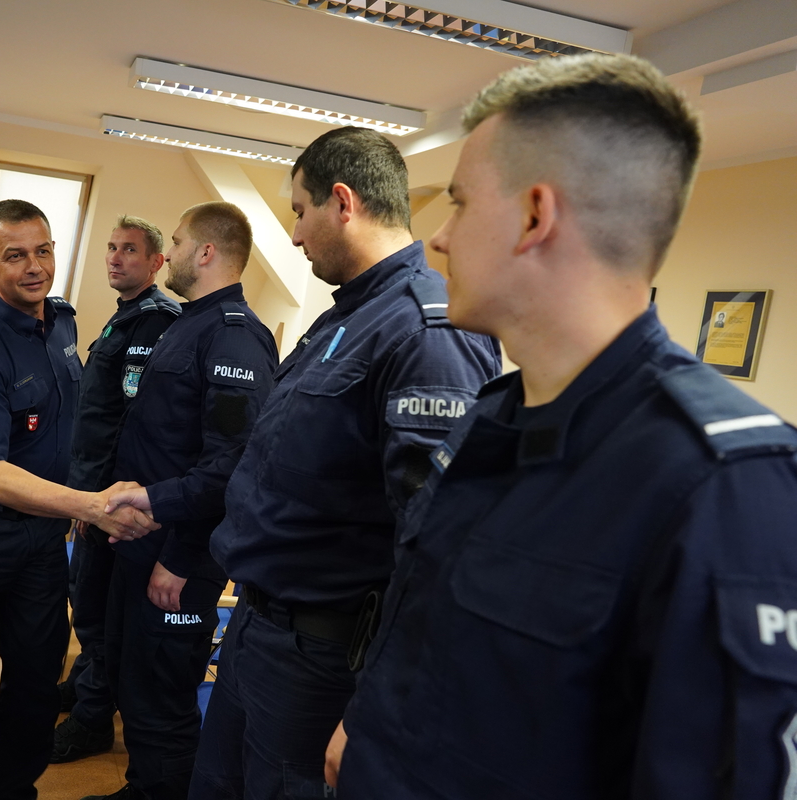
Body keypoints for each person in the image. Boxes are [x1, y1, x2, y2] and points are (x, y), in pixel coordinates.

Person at [328, 53, 797, 798]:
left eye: (459, 203)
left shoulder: (724, 483)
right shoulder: (492, 418)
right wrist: (367, 724)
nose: (438, 239)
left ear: (533, 217)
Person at [188, 127, 503, 799]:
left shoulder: (425, 332)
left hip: (322, 657)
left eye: (300, 212)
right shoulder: (348, 317)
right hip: (259, 628)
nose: (295, 235)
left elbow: (440, 543)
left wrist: (374, 706)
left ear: (342, 202)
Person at [0, 199, 156, 800]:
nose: (34, 266)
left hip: (43, 538)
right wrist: (90, 506)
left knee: (34, 683)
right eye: (15, 255)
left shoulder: (63, 322)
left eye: (43, 251)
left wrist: (73, 506)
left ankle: (13, 791)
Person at [94, 201, 280, 800]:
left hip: (176, 558)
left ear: (205, 252)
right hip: (141, 545)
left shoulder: (234, 337)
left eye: (174, 243)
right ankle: (143, 788)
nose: (166, 254)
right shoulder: (190, 323)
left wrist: (182, 558)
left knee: (162, 695)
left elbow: (231, 468)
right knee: (133, 681)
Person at [54, 215, 181, 763]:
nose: (114, 257)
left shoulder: (155, 321)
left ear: (156, 262)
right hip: (93, 491)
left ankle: (92, 719)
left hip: (111, 498)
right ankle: (82, 688)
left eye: (129, 249)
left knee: (98, 610)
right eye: (110, 247)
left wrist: (99, 502)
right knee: (87, 600)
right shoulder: (125, 316)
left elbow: (128, 425)